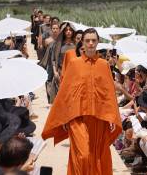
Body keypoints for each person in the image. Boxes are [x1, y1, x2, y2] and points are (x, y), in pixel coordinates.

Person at [42, 28, 122, 175]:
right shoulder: (74, 63)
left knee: (97, 154)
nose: (91, 43)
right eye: (87, 40)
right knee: (83, 155)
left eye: (94, 40)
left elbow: (109, 93)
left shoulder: (104, 65)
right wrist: (65, 118)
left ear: (98, 42)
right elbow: (66, 93)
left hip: (99, 119)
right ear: (82, 43)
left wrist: (112, 116)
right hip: (77, 118)